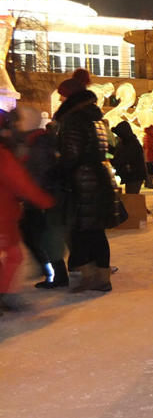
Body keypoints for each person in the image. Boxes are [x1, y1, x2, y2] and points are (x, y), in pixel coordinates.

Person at [54, 73, 117, 292]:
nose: (60, 100)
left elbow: (72, 153)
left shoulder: (73, 119)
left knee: (79, 231)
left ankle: (90, 277)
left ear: (70, 97)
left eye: (62, 96)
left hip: (81, 182)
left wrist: (58, 168)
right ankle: (102, 277)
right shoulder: (95, 116)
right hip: (98, 178)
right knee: (96, 231)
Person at [10, 105, 69, 289]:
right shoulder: (33, 141)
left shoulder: (38, 143)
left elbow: (39, 173)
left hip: (43, 198)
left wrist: (31, 193)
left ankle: (55, 274)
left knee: (43, 237)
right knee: (36, 235)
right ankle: (52, 272)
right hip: (38, 197)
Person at [0, 114, 55, 310]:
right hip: (3, 216)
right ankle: (3, 295)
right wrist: (46, 201)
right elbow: (21, 184)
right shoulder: (4, 156)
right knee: (14, 255)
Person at [111, 121, 147, 194]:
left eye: (119, 135)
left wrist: (111, 161)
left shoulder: (132, 143)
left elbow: (123, 157)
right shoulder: (126, 142)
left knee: (131, 197)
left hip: (135, 176)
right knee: (130, 196)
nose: (118, 137)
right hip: (132, 175)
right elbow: (118, 152)